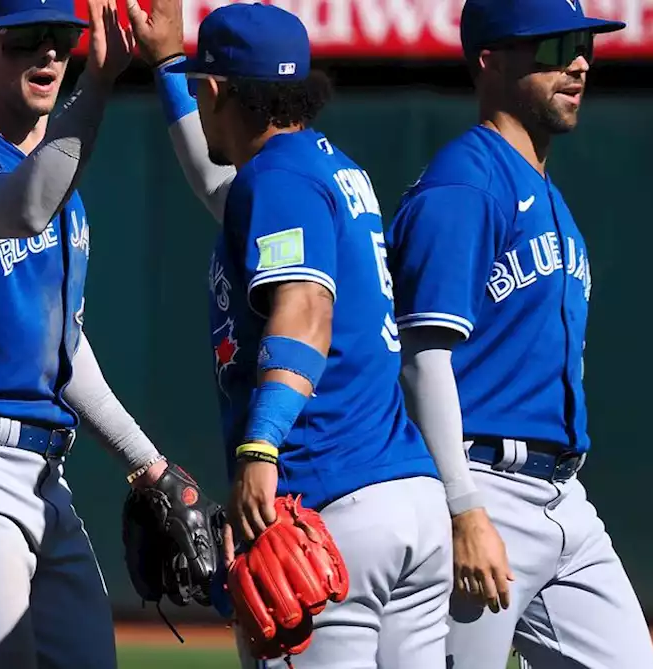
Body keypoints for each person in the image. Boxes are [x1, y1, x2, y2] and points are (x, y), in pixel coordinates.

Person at [0, 0, 223, 667]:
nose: (49, 55)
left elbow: (61, 351)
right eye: (26, 39)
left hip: (41, 473)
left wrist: (146, 464)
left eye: (63, 38)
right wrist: (100, 82)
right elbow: (26, 206)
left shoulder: (70, 191)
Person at [127, 1, 452, 666]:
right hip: (409, 499)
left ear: (216, 90)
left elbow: (304, 307)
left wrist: (260, 447)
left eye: (197, 86)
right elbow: (221, 183)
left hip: (329, 505)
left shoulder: (276, 177)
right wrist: (164, 64)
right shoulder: (324, 170)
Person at [385, 0, 653, 667]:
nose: (577, 62)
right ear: (490, 60)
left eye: (582, 45)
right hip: (481, 485)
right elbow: (423, 359)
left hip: (563, 497)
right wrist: (463, 507)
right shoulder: (465, 184)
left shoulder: (545, 190)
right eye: (550, 47)